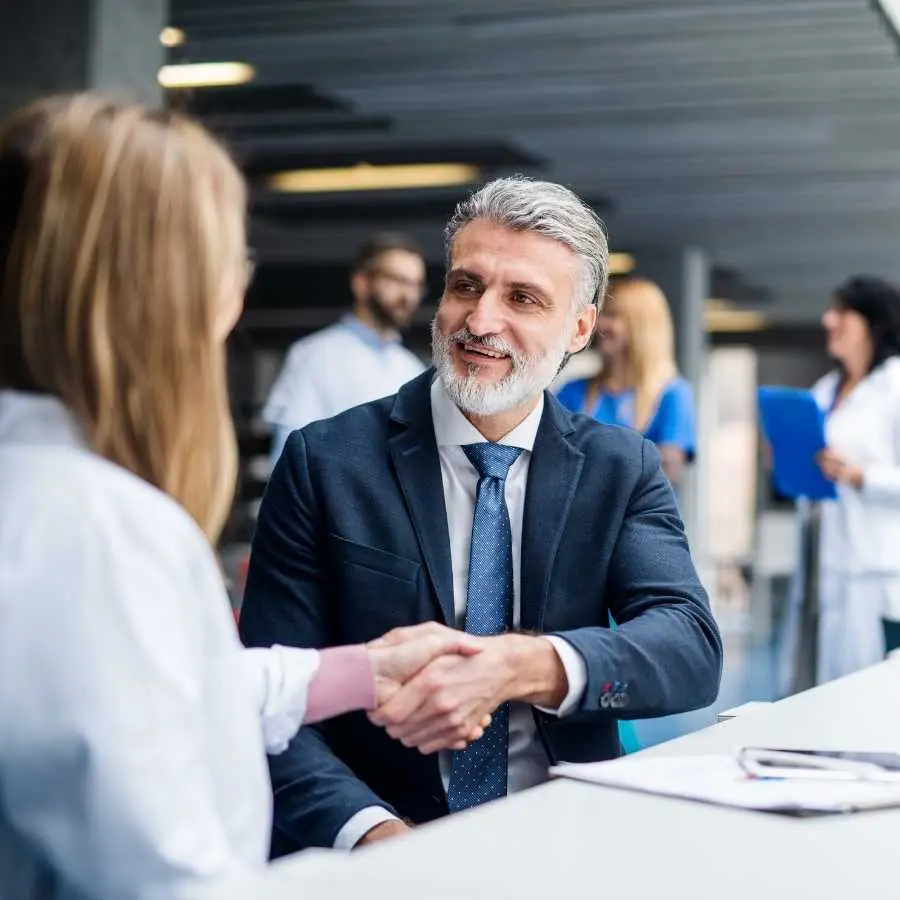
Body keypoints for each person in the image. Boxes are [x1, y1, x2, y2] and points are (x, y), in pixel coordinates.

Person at [0, 94, 484, 900]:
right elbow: (174, 877)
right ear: (168, 292)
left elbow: (135, 696)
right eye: (230, 261)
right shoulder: (98, 530)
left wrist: (357, 672)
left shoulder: (51, 497)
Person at [239, 176, 724, 854]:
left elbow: (689, 650)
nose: (480, 320)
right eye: (466, 286)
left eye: (522, 298)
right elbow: (268, 695)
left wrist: (523, 666)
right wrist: (373, 835)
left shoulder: (620, 468)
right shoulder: (326, 462)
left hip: (566, 839)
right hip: (377, 841)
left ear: (579, 328)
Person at [781, 276, 900, 692]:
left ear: (875, 325)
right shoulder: (826, 389)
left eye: (842, 313)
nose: (828, 320)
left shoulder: (894, 386)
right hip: (822, 563)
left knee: (869, 696)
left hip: (875, 571)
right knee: (817, 689)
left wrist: (858, 475)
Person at [262, 233, 428, 466]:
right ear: (361, 284)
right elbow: (288, 458)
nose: (407, 295)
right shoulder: (313, 356)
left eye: (415, 285)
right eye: (397, 280)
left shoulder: (411, 368)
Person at [556, 276, 695, 487]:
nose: (600, 323)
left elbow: (665, 474)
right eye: (601, 313)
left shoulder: (672, 394)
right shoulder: (573, 391)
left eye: (612, 315)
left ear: (641, 326)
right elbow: (551, 457)